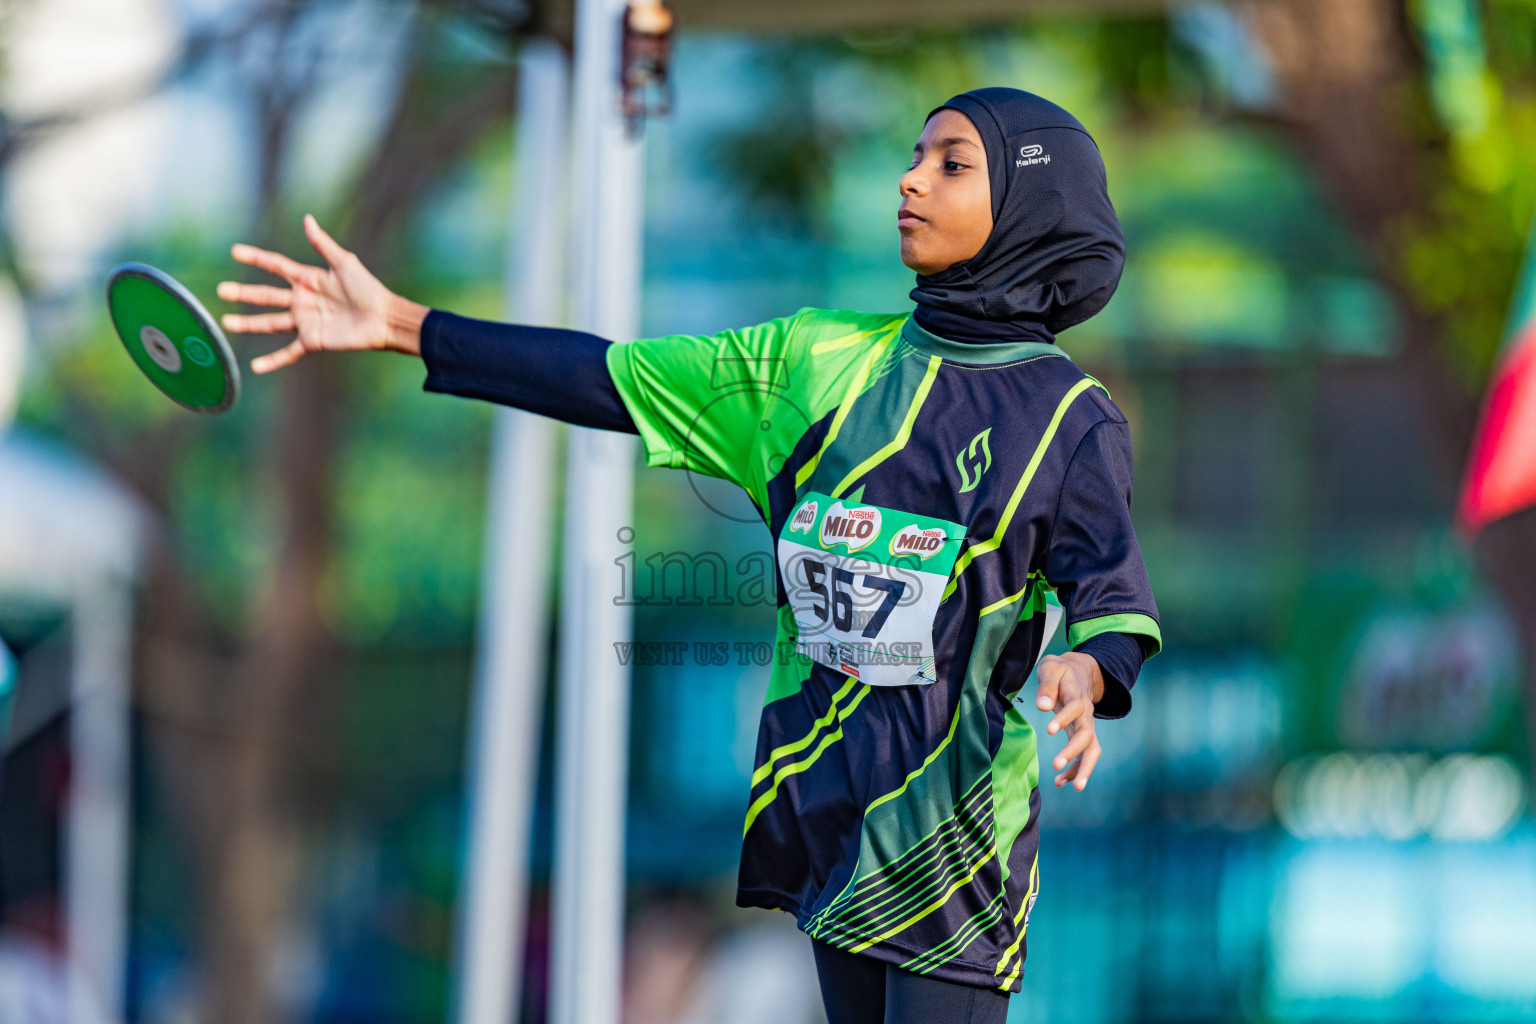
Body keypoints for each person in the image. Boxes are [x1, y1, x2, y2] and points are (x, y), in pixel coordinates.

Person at [219, 87, 1161, 1024]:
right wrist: (396, 322)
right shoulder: (813, 363)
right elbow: (603, 376)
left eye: (951, 163)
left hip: (952, 855)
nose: (910, 180)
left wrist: (1086, 667)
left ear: (1031, 212)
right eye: (913, 155)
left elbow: (1112, 595)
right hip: (828, 833)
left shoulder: (1068, 420)